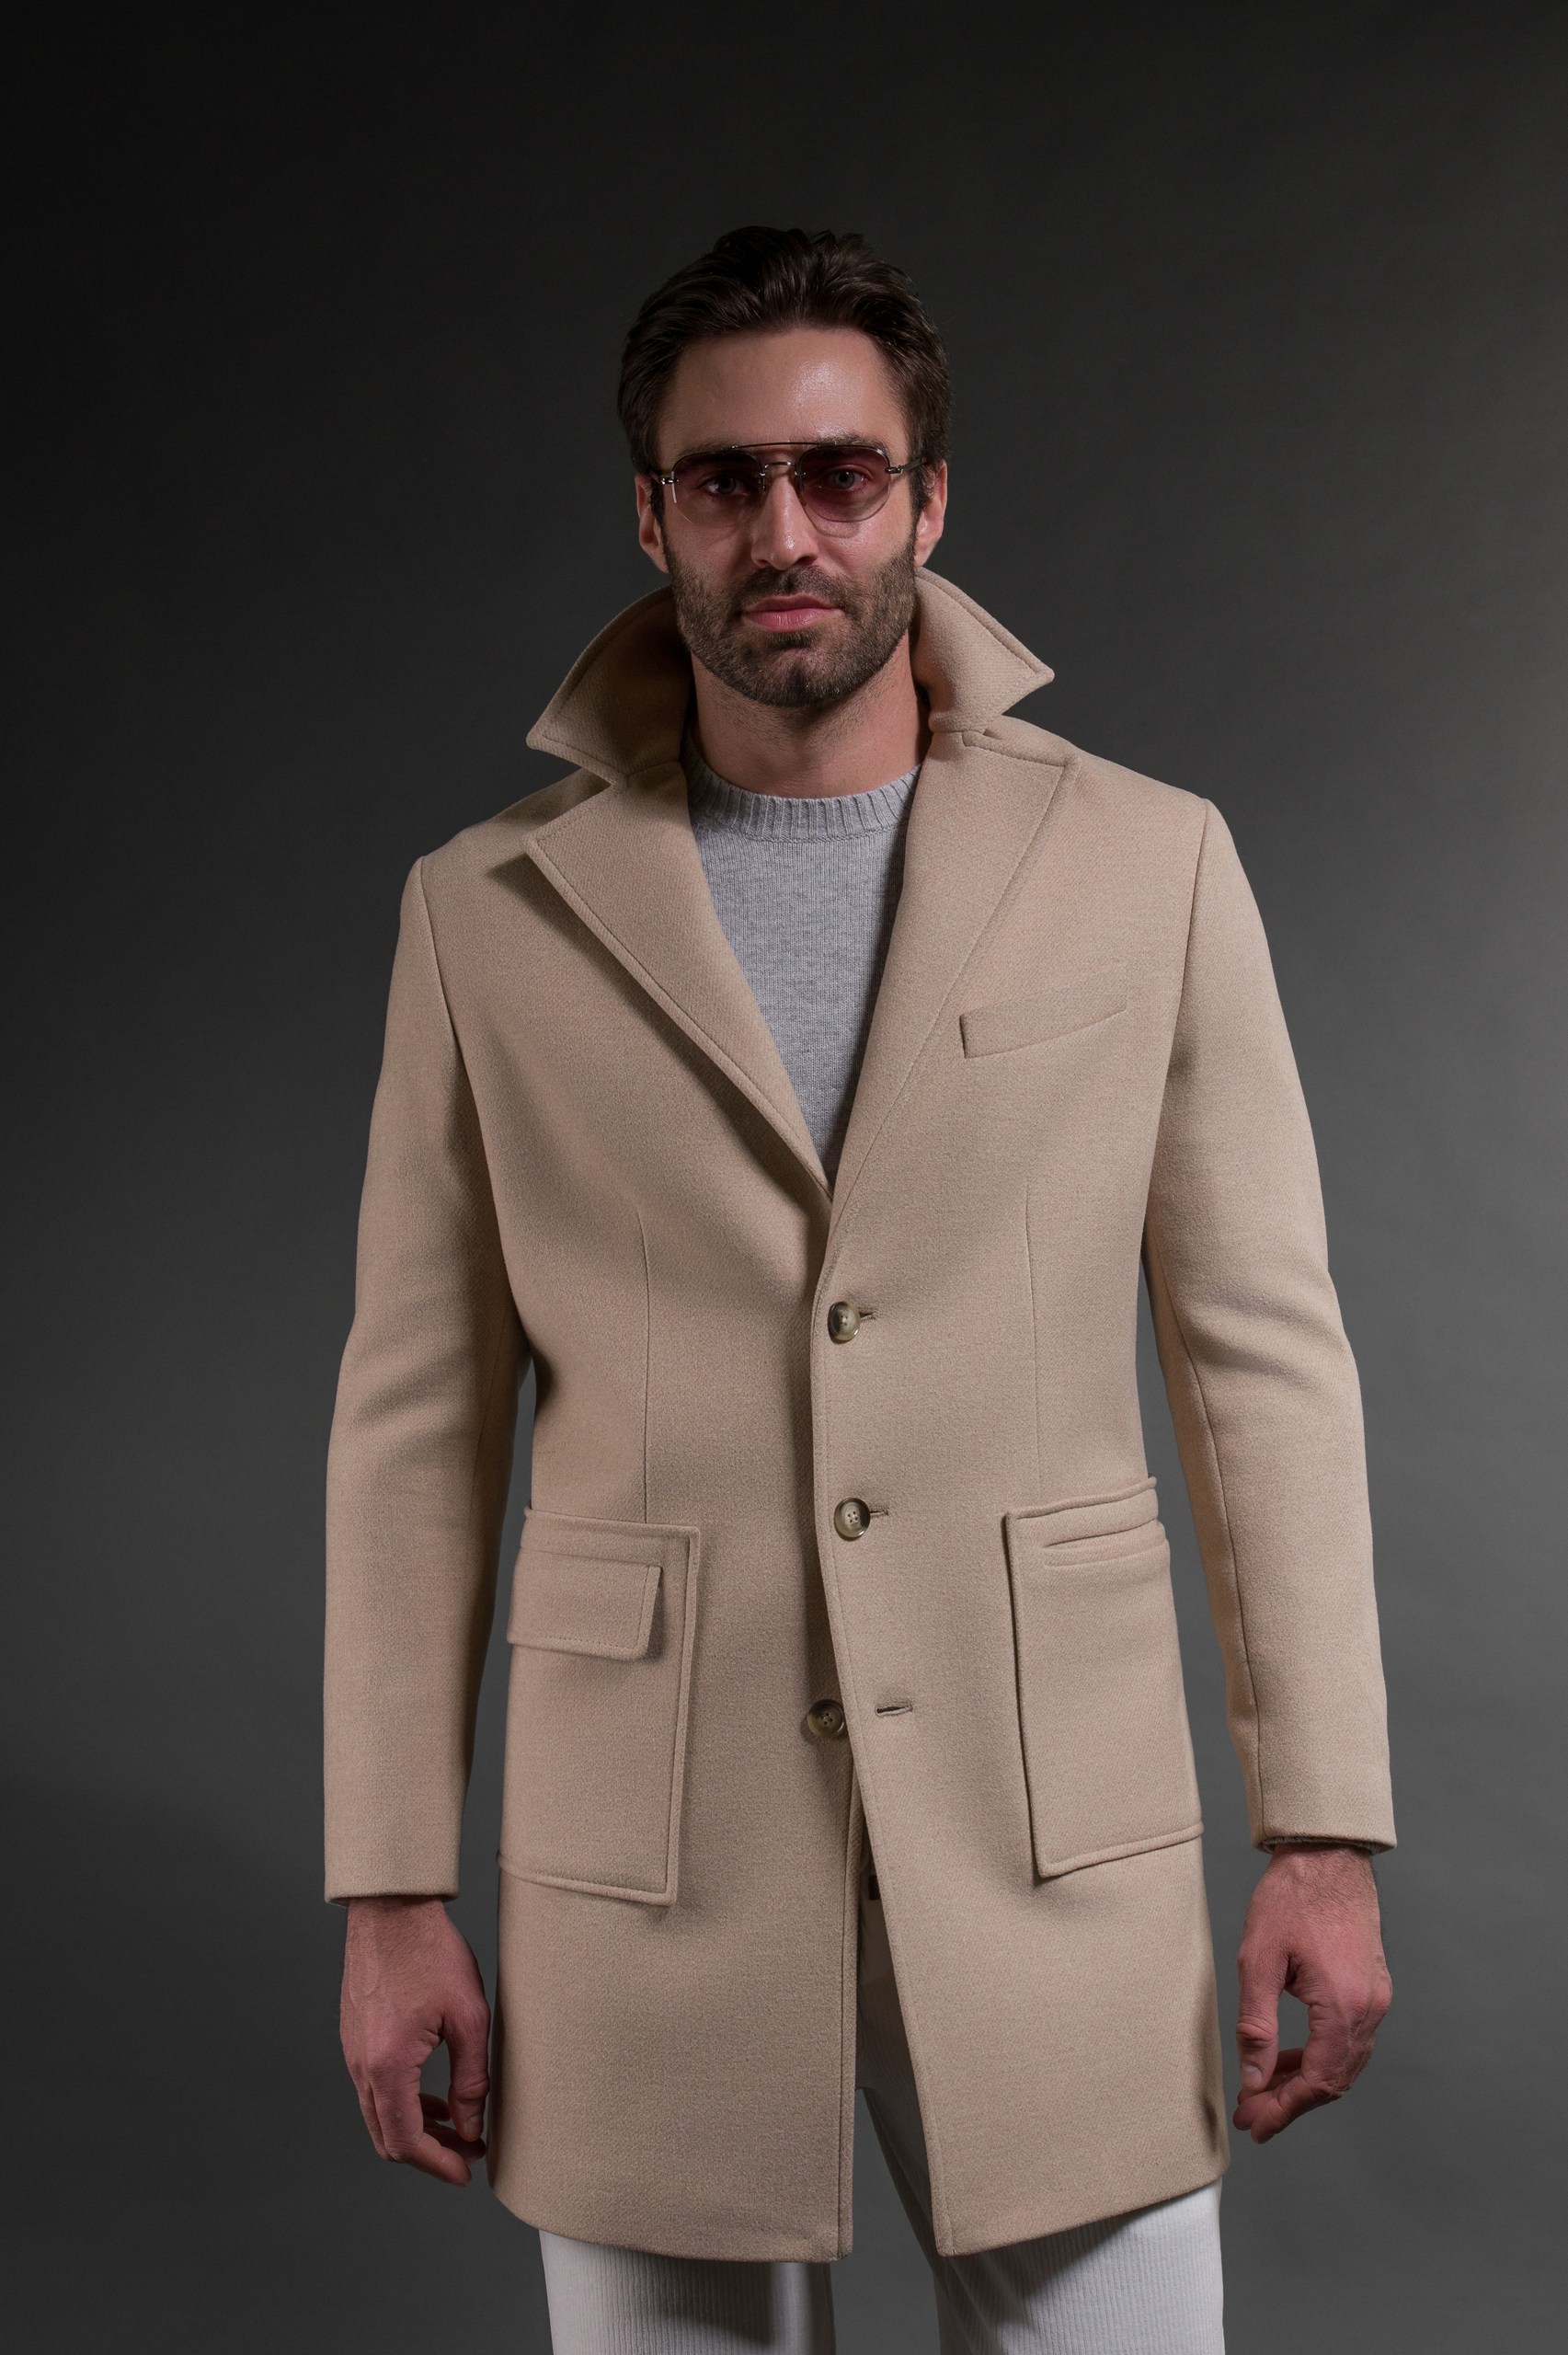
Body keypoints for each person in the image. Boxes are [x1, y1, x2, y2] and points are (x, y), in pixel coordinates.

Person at [325, 225, 1395, 2353]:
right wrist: (387, 1887)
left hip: (1050, 1834)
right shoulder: (486, 914)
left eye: (838, 473)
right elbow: (415, 1419)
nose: (784, 531)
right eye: (725, 481)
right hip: (652, 1864)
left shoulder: (1148, 862)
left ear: (927, 500)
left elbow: (1264, 1361)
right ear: (653, 515)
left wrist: (1323, 1828)